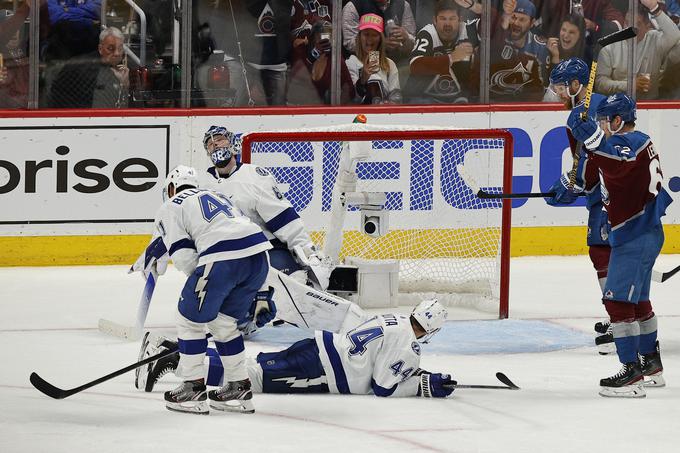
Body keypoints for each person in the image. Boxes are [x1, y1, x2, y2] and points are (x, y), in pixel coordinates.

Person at [136, 165, 273, 414]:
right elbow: (248, 233)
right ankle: (238, 386)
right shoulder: (218, 195)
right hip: (260, 258)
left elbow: (184, 257)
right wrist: (262, 292)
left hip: (224, 258)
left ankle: (192, 388)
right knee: (223, 323)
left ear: (170, 188)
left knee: (189, 319)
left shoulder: (170, 205)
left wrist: (202, 290)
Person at [566, 92, 672, 397]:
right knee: (637, 301)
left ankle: (631, 376)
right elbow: (604, 170)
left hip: (634, 235)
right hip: (645, 231)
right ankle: (651, 365)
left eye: (604, 120)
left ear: (617, 120)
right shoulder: (636, 141)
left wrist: (595, 137)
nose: (602, 124)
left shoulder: (631, 143)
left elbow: (617, 155)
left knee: (617, 302)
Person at [136, 299, 458, 399]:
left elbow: (383, 358)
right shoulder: (409, 344)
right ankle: (172, 358)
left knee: (250, 367)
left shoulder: (396, 318)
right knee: (253, 378)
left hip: (316, 347)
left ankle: (172, 350)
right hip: (319, 372)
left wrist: (414, 374)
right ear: (433, 329)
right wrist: (422, 386)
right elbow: (383, 388)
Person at [200, 125, 332, 288]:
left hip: (264, 248)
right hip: (226, 255)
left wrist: (306, 249)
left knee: (294, 283)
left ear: (233, 143)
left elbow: (282, 218)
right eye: (211, 144)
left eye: (220, 140)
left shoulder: (253, 176)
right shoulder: (202, 186)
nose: (216, 146)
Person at [543, 58, 613, 354]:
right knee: (603, 252)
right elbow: (583, 159)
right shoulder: (581, 110)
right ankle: (618, 316)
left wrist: (575, 184)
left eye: (562, 86)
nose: (558, 91)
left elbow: (603, 154)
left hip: (612, 192)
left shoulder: (595, 109)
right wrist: (573, 182)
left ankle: (621, 322)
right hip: (604, 189)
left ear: (576, 84)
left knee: (603, 250)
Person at [595, 0, 680, 100]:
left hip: (651, 106)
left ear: (647, 26)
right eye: (627, 22)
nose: (630, 28)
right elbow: (600, 84)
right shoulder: (609, 46)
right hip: (618, 105)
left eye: (637, 24)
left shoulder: (655, 40)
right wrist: (630, 85)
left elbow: (675, 35)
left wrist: (655, 9)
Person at [404, 0, 476, 104]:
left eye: (452, 18)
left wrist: (475, 6)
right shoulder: (427, 33)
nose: (447, 23)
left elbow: (491, 24)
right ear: (435, 20)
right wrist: (451, 58)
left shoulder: (468, 30)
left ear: (460, 20)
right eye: (442, 18)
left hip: (457, 98)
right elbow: (415, 65)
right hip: (424, 98)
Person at [47, 26, 129, 108]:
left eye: (120, 48)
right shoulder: (84, 68)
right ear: (100, 49)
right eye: (111, 49)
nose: (117, 53)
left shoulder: (125, 68)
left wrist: (125, 84)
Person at [488, 0, 548, 101]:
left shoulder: (540, 48)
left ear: (532, 23)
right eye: (513, 17)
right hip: (495, 100)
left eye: (522, 19)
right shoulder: (498, 39)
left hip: (526, 105)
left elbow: (542, 87)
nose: (516, 23)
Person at [346, 13, 402, 104]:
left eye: (374, 35)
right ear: (359, 37)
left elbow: (397, 98)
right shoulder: (351, 62)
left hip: (385, 115)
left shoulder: (389, 64)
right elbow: (351, 100)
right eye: (366, 34)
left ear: (380, 39)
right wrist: (363, 79)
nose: (369, 39)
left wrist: (389, 103)